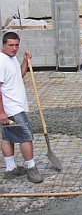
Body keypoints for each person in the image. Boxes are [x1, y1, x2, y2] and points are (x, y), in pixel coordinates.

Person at [0, 32, 44, 183]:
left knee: (7, 137)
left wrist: (25, 61)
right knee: (26, 136)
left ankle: (10, 169)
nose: (14, 48)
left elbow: (19, 75)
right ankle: (31, 168)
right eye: (11, 45)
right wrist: (1, 112)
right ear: (4, 44)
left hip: (13, 107)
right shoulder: (1, 61)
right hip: (11, 108)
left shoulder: (10, 58)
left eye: (16, 45)